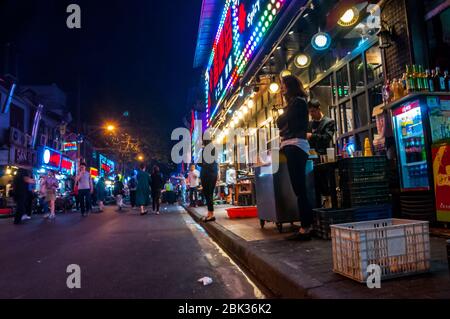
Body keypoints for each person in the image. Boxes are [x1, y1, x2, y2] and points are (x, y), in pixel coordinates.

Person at [277, 75, 313, 241]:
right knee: (299, 189)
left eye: (283, 85)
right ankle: (305, 226)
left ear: (289, 86)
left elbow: (282, 121)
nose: (281, 88)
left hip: (296, 146)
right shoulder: (295, 103)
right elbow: (282, 123)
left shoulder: (297, 102)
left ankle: (306, 228)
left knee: (299, 189)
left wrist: (282, 120)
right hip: (294, 146)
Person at [199, 141, 219, 222]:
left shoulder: (208, 150)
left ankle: (211, 214)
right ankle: (210, 213)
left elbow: (202, 163)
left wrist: (203, 164)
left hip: (208, 175)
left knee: (208, 194)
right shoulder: (208, 149)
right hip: (209, 174)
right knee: (208, 194)